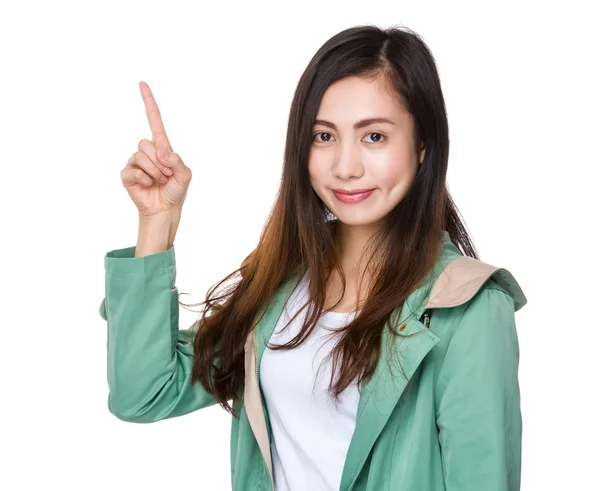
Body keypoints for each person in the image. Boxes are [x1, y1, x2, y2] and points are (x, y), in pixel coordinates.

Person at [99, 24, 528, 491]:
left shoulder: (468, 308)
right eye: (324, 136)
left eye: (375, 137)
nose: (346, 166)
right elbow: (144, 393)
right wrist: (156, 223)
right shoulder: (280, 280)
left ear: (422, 146)